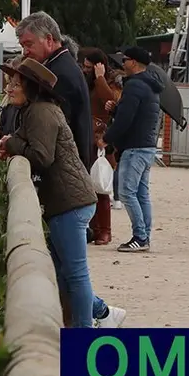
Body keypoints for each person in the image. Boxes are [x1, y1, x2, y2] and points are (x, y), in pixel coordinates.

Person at [0, 58, 125, 329]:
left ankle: (84, 331)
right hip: (65, 202)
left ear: (31, 87)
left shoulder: (40, 112)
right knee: (61, 272)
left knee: (75, 274)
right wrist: (10, 143)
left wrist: (13, 143)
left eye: (16, 84)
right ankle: (104, 314)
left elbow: (42, 156)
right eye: (10, 83)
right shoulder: (35, 110)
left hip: (70, 203)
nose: (9, 88)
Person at [102, 46, 163, 252]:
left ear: (134, 62)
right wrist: (117, 109)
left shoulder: (134, 85)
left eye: (125, 60)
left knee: (126, 192)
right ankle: (145, 235)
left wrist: (107, 138)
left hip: (135, 147)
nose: (122, 63)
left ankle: (140, 236)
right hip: (147, 145)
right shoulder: (151, 85)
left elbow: (126, 119)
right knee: (141, 193)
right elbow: (136, 113)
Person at [16, 11, 94, 170]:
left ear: (49, 40)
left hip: (66, 169)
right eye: (23, 46)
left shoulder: (58, 74)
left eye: (29, 44)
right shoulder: (60, 65)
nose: (25, 51)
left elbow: (50, 127)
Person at [79, 47, 122, 246]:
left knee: (100, 185)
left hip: (100, 139)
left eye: (89, 67)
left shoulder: (110, 81)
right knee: (86, 186)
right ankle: (92, 228)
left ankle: (105, 230)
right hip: (84, 135)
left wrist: (100, 78)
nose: (85, 70)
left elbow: (110, 100)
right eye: (85, 66)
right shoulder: (84, 81)